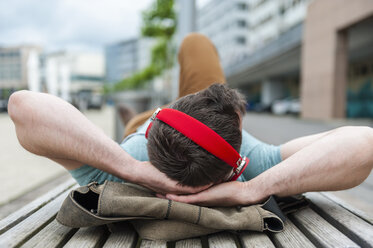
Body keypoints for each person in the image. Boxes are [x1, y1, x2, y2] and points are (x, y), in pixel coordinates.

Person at [8, 33, 373, 207]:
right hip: (194, 126)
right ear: (239, 129)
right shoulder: (251, 163)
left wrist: (132, 168)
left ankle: (133, 118)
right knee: (196, 43)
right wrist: (251, 189)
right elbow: (364, 144)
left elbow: (22, 106)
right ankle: (144, 114)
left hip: (153, 128)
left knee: (190, 47)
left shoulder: (122, 164)